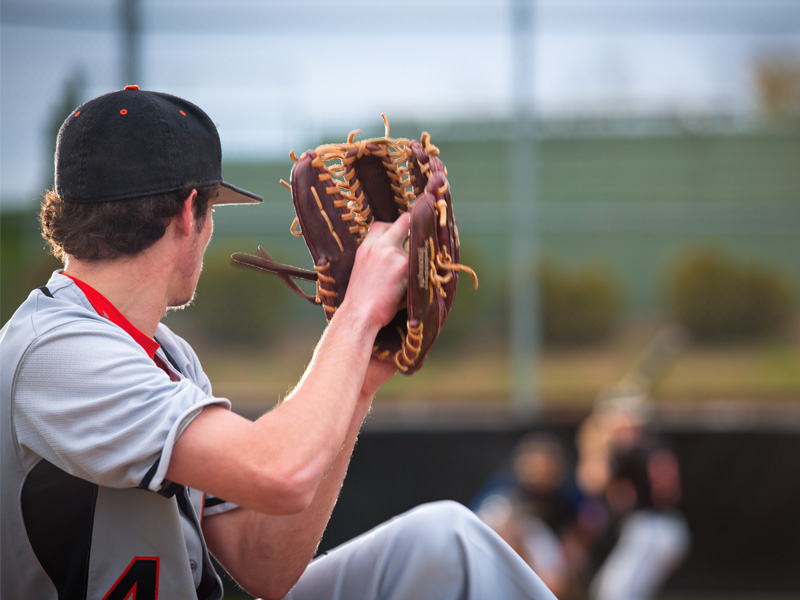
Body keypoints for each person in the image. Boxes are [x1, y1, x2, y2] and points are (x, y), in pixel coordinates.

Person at [0, 86, 558, 600]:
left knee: (444, 543)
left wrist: (359, 378)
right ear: (189, 213)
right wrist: (358, 312)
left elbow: (263, 562)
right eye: (213, 208)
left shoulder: (166, 356)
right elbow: (280, 473)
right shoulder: (53, 351)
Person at [575, 391, 691, 600]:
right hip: (669, 527)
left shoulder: (628, 451)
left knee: (612, 593)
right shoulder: (655, 444)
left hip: (649, 528)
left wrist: (592, 444)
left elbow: (592, 482)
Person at [471, 433, 608, 599]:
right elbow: (479, 524)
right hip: (509, 557)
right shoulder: (504, 487)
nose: (538, 473)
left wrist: (576, 543)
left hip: (556, 554)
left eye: (545, 466)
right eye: (532, 465)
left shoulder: (565, 490)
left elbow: (594, 515)